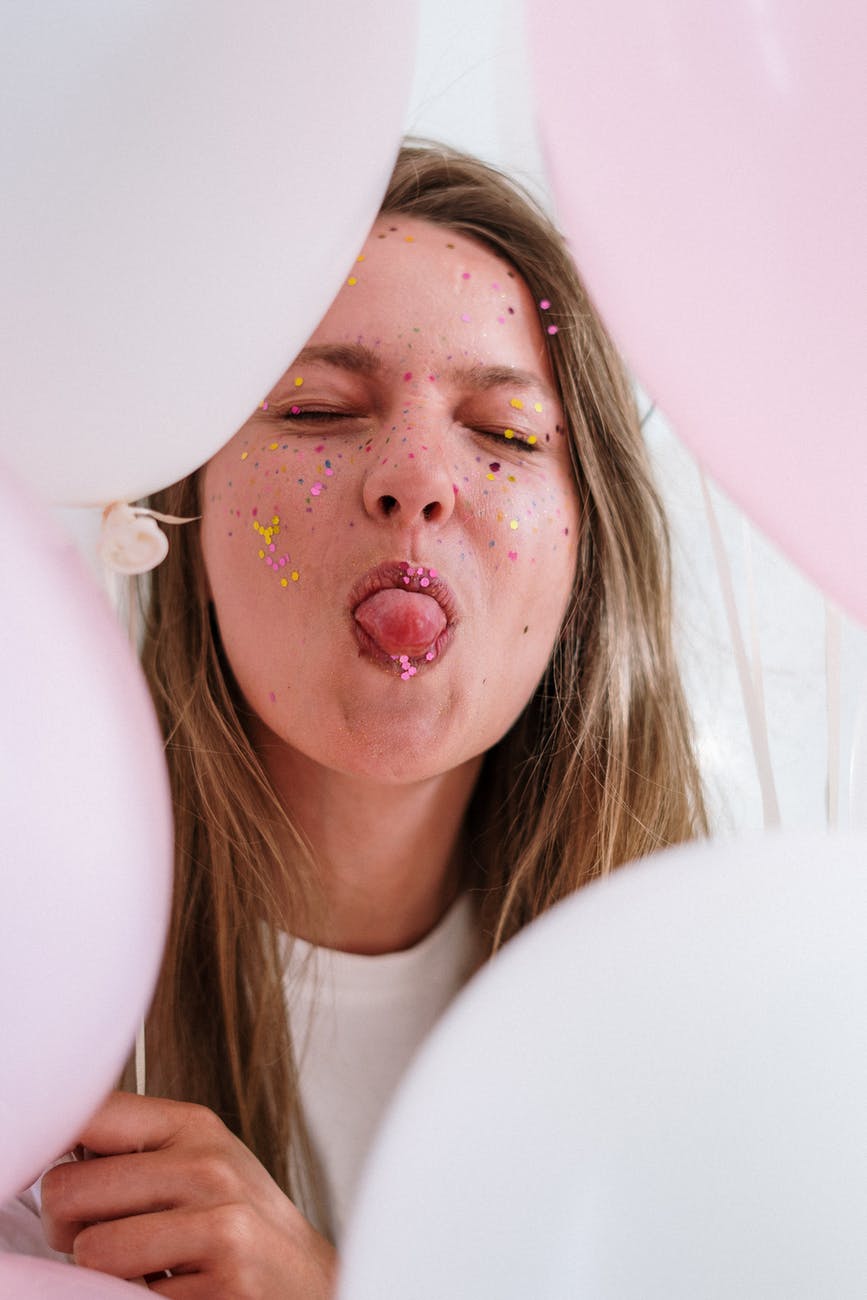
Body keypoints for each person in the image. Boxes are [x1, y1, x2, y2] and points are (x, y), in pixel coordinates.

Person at [1, 141, 707, 1295]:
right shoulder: (26, 966)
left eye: (509, 433)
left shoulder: (718, 1018)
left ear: (589, 550)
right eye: (320, 411)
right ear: (185, 512)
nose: (416, 477)